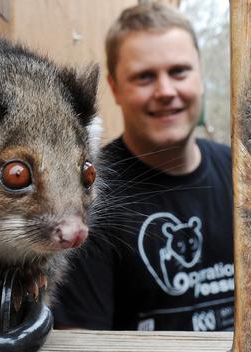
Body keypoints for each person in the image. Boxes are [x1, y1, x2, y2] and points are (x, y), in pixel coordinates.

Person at [53, 3, 234, 331]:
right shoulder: (87, 197)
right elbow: (80, 347)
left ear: (201, 77)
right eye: (145, 77)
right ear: (114, 89)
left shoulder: (243, 176)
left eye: (179, 71)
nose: (166, 91)